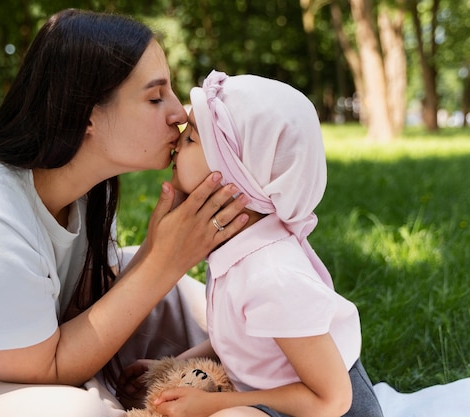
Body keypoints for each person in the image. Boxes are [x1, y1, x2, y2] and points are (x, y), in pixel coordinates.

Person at [0, 11, 251, 417]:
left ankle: (280, 372)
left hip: (10, 362)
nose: (179, 114)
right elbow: (46, 370)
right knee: (73, 411)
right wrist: (165, 258)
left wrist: (158, 252)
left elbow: (82, 309)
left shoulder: (86, 189)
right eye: (154, 97)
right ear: (87, 113)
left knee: (189, 301)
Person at [119, 70, 384, 417]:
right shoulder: (237, 250)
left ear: (237, 176)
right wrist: (172, 366)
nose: (176, 144)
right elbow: (248, 340)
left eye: (192, 139)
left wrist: (211, 404)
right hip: (275, 398)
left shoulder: (271, 273)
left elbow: (331, 400)